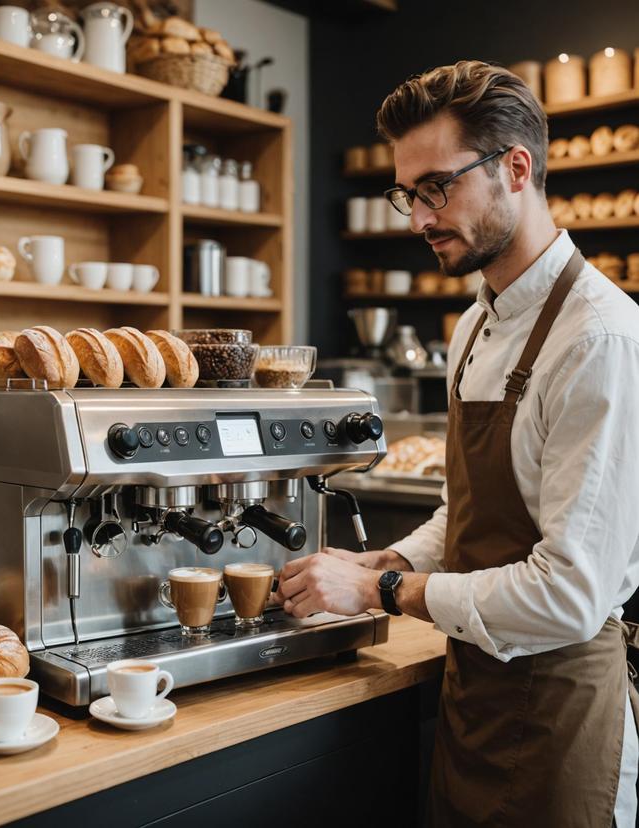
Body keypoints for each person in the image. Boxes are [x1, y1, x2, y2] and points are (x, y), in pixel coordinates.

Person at [277, 60, 639, 826]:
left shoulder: (600, 338)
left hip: (560, 723)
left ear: (517, 168)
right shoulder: (475, 322)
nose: (417, 218)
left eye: (437, 187)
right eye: (407, 194)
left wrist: (379, 593)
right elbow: (467, 512)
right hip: (471, 702)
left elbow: (569, 595)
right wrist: (396, 559)